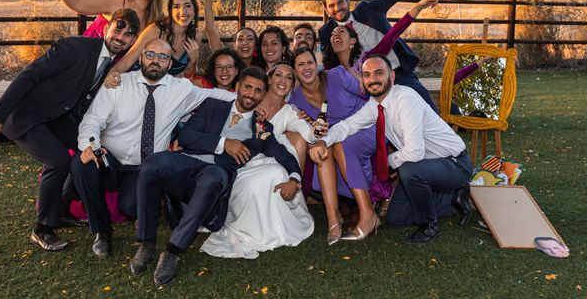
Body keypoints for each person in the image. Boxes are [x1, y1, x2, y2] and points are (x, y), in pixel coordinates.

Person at [0, 9, 140, 251]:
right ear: (106, 28)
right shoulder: (75, 46)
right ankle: (42, 228)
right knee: (58, 161)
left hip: (56, 117)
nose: (121, 36)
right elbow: (28, 76)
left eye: (129, 34)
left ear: (133, 41)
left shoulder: (111, 66)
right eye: (118, 28)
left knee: (91, 150)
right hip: (25, 115)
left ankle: (62, 209)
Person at [131, 67, 302, 286]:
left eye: (258, 90)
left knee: (214, 175)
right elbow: (186, 135)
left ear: (262, 95)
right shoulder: (212, 106)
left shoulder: (262, 127)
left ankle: (172, 252)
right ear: (237, 87)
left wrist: (294, 180)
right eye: (247, 87)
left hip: (215, 179)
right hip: (187, 165)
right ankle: (146, 242)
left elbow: (285, 156)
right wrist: (224, 144)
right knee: (152, 163)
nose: (251, 94)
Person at [70, 38, 236, 257]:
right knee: (82, 165)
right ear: (140, 58)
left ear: (169, 64)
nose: (156, 61)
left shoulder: (181, 89)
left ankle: (139, 209)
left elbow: (215, 94)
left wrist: (255, 100)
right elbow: (93, 120)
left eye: (163, 57)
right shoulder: (119, 84)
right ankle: (101, 231)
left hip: (143, 169)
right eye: (150, 55)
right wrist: (90, 146)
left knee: (130, 207)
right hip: (111, 159)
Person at [310, 54, 473, 244]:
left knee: (409, 170)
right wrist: (323, 142)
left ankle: (430, 225)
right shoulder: (375, 105)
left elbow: (414, 152)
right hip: (428, 164)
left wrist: (386, 163)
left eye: (379, 73)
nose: (373, 79)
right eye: (367, 75)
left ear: (392, 76)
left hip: (454, 163)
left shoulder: (406, 99)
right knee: (396, 218)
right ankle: (453, 197)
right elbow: (348, 125)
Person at [200, 62, 316, 259]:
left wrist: (318, 131)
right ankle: (245, 219)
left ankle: (270, 227)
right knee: (272, 173)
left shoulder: (291, 112)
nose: (283, 81)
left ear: (293, 85)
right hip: (235, 162)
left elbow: (308, 133)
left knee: (278, 171)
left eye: (289, 78)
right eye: (278, 75)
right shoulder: (248, 99)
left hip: (271, 159)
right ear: (269, 79)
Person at [289, 47, 393, 245]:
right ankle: (333, 219)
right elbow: (311, 130)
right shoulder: (295, 100)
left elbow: (368, 94)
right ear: (295, 70)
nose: (306, 68)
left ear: (316, 63)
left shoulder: (335, 76)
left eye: (309, 62)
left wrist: (360, 78)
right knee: (324, 146)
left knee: (335, 144)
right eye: (300, 64)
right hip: (335, 137)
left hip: (367, 126)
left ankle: (366, 214)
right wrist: (310, 125)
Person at [318, 0, 439, 112]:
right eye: (331, 5)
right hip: (367, 85)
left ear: (348, 2)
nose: (337, 8)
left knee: (428, 110)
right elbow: (330, 65)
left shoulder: (368, 10)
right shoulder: (327, 33)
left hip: (398, 72)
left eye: (340, 2)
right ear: (326, 10)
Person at [323, 0, 446, 71]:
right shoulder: (333, 71)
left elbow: (394, 33)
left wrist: (418, 7)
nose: (336, 34)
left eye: (341, 31)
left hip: (394, 75)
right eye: (333, 32)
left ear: (353, 40)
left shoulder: (367, 58)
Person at [105, 0, 200, 82]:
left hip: (166, 90)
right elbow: (127, 60)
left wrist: (193, 61)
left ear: (194, 9)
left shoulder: (195, 36)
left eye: (187, 6)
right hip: (138, 84)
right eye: (176, 6)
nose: (183, 11)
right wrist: (111, 74)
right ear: (171, 11)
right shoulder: (156, 30)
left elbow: (187, 76)